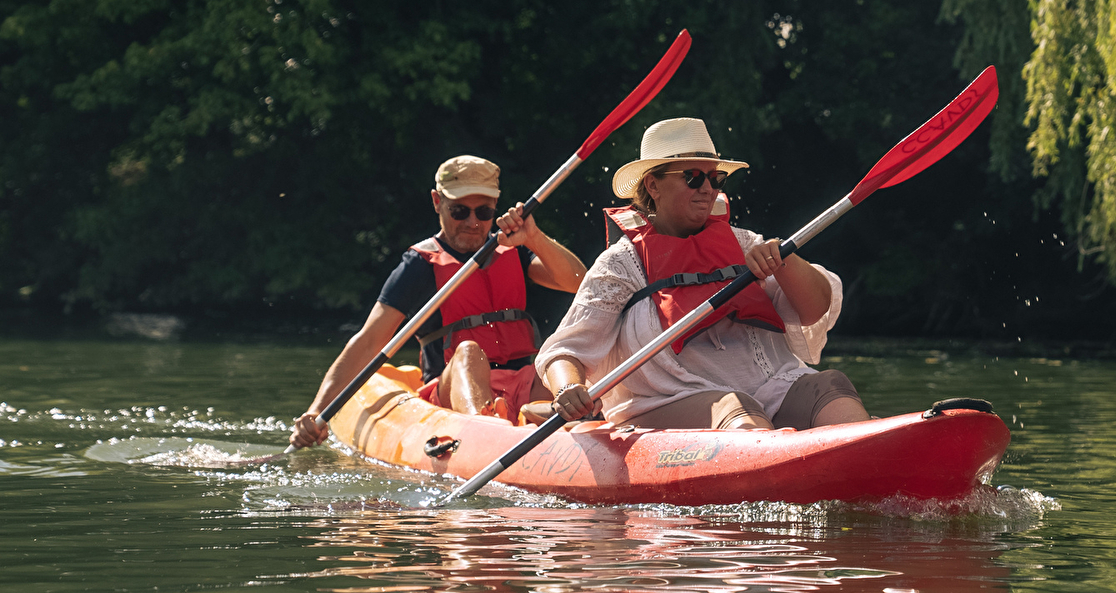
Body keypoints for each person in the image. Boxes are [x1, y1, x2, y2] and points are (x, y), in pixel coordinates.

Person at [536, 118, 870, 430]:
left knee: (830, 383)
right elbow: (566, 350)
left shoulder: (746, 244)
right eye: (693, 177)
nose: (708, 189)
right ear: (653, 184)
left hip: (769, 389)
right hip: (669, 401)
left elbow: (815, 309)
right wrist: (568, 386)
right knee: (735, 408)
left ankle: (868, 462)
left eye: (715, 179)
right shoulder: (621, 265)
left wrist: (786, 261)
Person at [291, 155, 587, 448]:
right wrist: (317, 411)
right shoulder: (418, 266)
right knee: (469, 351)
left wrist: (534, 237)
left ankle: (566, 417)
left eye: (483, 212)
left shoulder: (513, 248)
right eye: (459, 211)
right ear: (437, 202)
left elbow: (577, 282)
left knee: (559, 355)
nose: (473, 222)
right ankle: (483, 428)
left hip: (523, 381)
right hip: (452, 387)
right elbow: (369, 342)